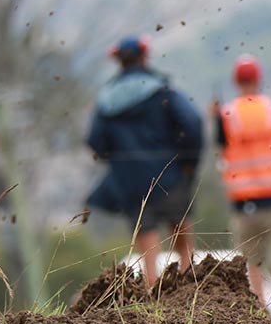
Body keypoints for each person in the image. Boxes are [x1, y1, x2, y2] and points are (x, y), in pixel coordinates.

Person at [86, 35, 204, 287]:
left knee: (147, 245)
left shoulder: (106, 100)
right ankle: (191, 291)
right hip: (169, 175)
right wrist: (188, 161)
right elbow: (192, 122)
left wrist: (117, 161)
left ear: (119, 61)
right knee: (181, 235)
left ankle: (153, 299)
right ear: (144, 56)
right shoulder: (161, 90)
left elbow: (95, 140)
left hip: (130, 183)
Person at [212, 54, 271, 320]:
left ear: (236, 81)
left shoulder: (226, 115)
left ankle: (260, 318)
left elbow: (220, 149)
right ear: (259, 78)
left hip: (244, 203)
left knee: (252, 264)